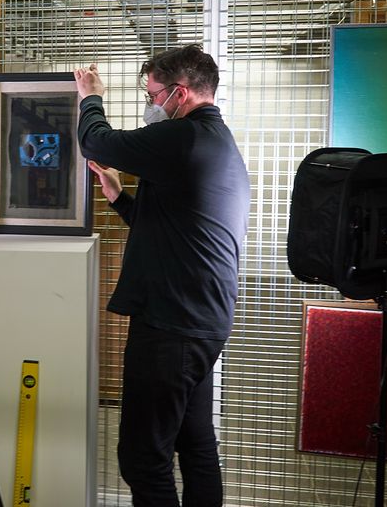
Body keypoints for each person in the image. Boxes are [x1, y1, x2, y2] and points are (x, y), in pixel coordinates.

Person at [73, 45, 250, 507]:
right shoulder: (216, 142)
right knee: (195, 444)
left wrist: (89, 96)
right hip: (199, 322)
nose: (151, 105)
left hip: (173, 325)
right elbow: (177, 228)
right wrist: (118, 198)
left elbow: (96, 141)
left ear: (181, 92)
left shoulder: (184, 138)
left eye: (154, 95)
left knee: (143, 457)